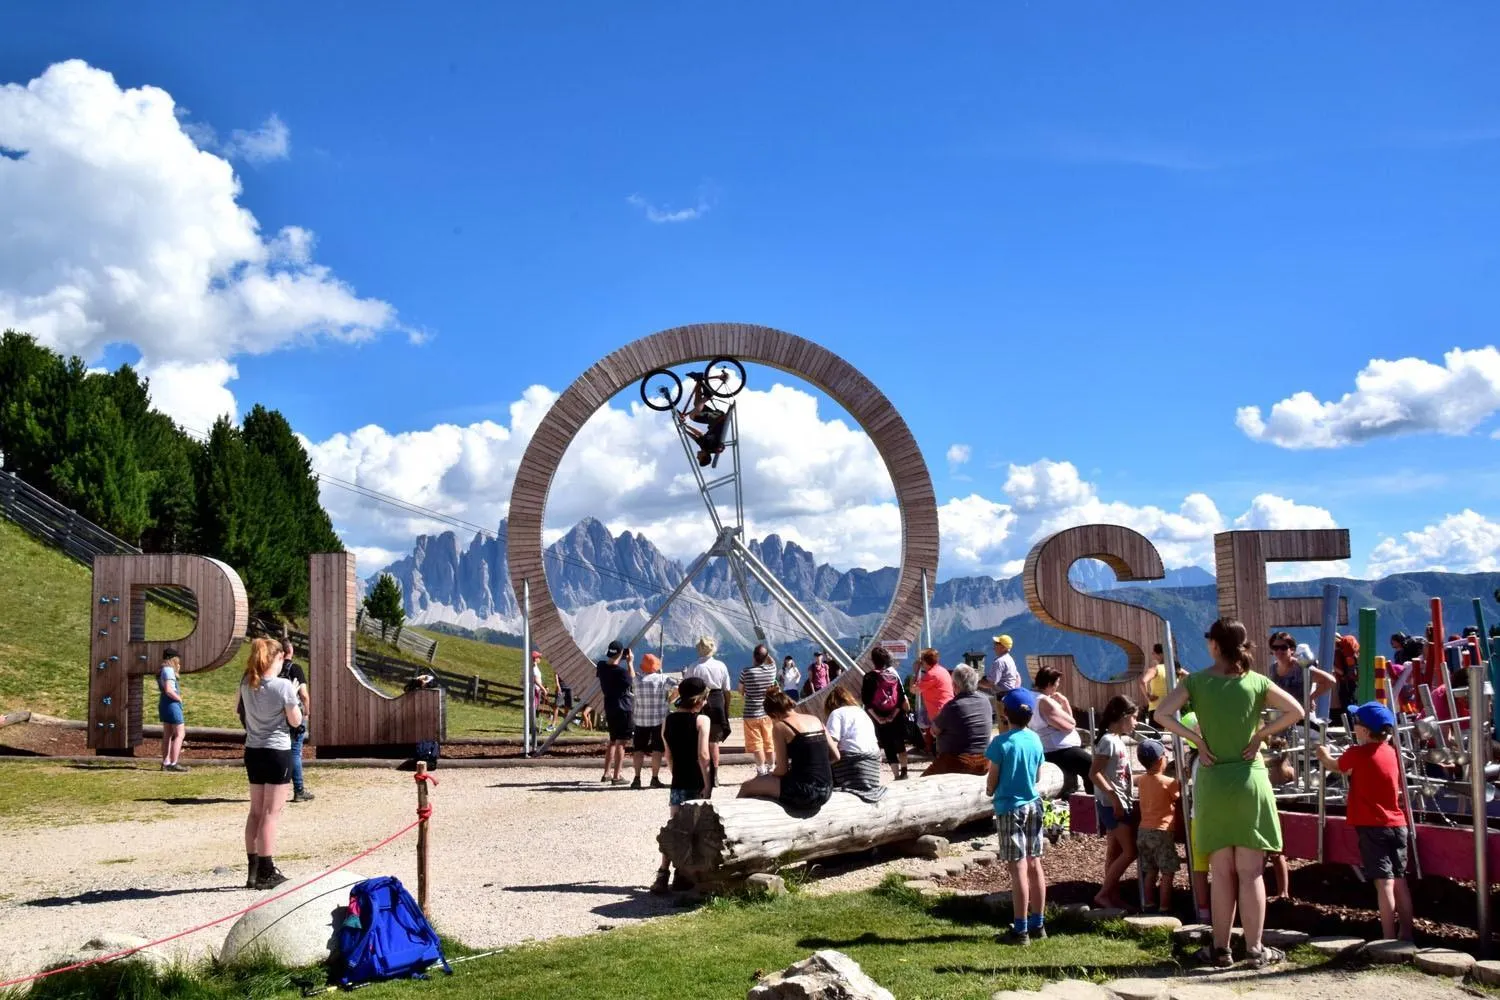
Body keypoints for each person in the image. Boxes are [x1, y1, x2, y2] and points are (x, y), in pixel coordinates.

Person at [1155, 617, 1305, 969]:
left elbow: (1162, 713)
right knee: (1251, 872)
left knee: (1221, 872)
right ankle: (1255, 950)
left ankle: (1220, 949)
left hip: (1213, 781)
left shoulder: (1196, 681)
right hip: (1250, 780)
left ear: (1214, 645)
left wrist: (1195, 740)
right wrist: (1259, 736)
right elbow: (1296, 711)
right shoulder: (1256, 681)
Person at [1316, 702, 1414, 942]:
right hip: (1397, 824)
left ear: (1364, 730)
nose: (1354, 727)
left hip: (1372, 826)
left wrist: (1323, 754)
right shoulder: (1391, 752)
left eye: (1356, 723)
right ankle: (1407, 934)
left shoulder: (1356, 753)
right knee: (1400, 880)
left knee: (1384, 884)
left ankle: (1388, 938)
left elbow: (1335, 766)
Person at [235, 637, 301, 891]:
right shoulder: (283, 686)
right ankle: (266, 869)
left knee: (255, 811)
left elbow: (238, 710)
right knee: (271, 814)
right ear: (276, 658)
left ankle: (252, 871)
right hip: (277, 751)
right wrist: (294, 697)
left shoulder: (246, 682)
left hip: (253, 750)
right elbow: (295, 722)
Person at [985, 688, 1047, 945]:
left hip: (1009, 808)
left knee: (1018, 867)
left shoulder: (1000, 743)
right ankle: (1038, 923)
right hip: (1033, 804)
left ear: (1005, 714)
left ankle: (1019, 929)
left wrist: (990, 790)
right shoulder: (1035, 739)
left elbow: (993, 777)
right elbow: (1038, 776)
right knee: (1035, 864)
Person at [651, 677, 712, 894]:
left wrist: (676, 773)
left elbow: (668, 755)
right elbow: (703, 755)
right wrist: (708, 783)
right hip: (696, 779)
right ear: (700, 700)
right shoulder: (702, 721)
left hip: (678, 780)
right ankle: (684, 873)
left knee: (675, 825)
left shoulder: (669, 720)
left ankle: (662, 873)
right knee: (694, 828)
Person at [738, 689, 832, 812]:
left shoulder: (781, 726)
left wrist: (768, 777)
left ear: (773, 714)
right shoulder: (816, 720)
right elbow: (835, 755)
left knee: (747, 786)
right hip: (827, 789)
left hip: (804, 791)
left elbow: (782, 770)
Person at [1090, 694, 1139, 911]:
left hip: (1118, 801)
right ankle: (1103, 894)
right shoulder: (1108, 741)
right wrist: (1114, 797)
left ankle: (1112, 894)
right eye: (1134, 718)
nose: (1136, 723)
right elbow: (1094, 773)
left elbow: (1119, 774)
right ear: (1124, 716)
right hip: (1112, 805)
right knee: (1130, 852)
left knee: (1115, 851)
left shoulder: (1117, 739)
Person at [1029, 666, 1091, 798]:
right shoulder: (1045, 702)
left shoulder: (1033, 697)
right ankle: (1095, 801)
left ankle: (1074, 798)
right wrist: (1065, 702)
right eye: (1057, 683)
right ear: (1050, 684)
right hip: (1058, 749)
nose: (1057, 686)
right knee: (1091, 766)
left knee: (1079, 773)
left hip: (1055, 747)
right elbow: (1070, 724)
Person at [1135, 739, 1181, 914]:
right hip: (1161, 832)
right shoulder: (1168, 782)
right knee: (1167, 872)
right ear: (1161, 760)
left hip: (1143, 831)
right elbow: (1178, 796)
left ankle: (1148, 905)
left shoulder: (1142, 781)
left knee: (1150, 871)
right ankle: (1165, 908)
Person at [927, 665, 995, 776]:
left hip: (956, 761)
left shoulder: (953, 706)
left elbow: (934, 731)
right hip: (984, 762)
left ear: (954, 685)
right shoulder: (985, 700)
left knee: (923, 782)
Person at [683, 636, 732, 784]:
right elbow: (727, 690)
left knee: (698, 740)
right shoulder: (721, 666)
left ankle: (700, 774)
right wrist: (726, 707)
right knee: (713, 741)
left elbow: (685, 687)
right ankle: (715, 775)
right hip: (717, 701)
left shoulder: (693, 667)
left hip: (698, 701)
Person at [824, 686, 885, 799]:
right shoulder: (862, 712)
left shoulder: (836, 713)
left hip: (853, 767)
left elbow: (832, 747)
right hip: (872, 770)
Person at [861, 645, 910, 780]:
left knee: (888, 747)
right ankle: (904, 772)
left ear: (873, 660)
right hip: (896, 716)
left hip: (879, 717)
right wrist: (893, 715)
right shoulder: (893, 675)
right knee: (900, 744)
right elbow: (900, 698)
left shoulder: (869, 677)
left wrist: (879, 719)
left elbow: (866, 702)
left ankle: (895, 775)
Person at [1268, 632, 1335, 720]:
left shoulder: (1301, 666)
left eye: (1283, 647)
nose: (1279, 651)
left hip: (1302, 717)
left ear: (1292, 649)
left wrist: (1310, 699)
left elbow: (1330, 681)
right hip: (1281, 717)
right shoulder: (1273, 668)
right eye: (1275, 648)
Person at [278, 638, 314, 803]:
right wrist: (307, 712)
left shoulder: (274, 670)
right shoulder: (295, 668)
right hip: (294, 714)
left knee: (280, 749)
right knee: (295, 751)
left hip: (278, 716)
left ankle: (277, 788)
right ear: (290, 650)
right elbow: (304, 694)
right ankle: (299, 789)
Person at [631, 653, 673, 789]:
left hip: (640, 719)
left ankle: (636, 778)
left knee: (638, 749)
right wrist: (669, 700)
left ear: (643, 666)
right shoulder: (662, 678)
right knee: (657, 750)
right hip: (658, 719)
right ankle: (654, 778)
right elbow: (678, 687)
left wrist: (629, 662)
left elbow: (630, 674)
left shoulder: (636, 680)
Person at [596, 640, 634, 785]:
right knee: (621, 743)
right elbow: (631, 681)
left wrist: (619, 658)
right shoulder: (622, 672)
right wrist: (630, 662)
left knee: (612, 741)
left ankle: (606, 773)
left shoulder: (601, 667)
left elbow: (608, 665)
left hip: (609, 706)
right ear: (620, 654)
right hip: (623, 707)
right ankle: (617, 776)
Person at [677, 370, 732, 467]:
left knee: (697, 404)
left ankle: (699, 380)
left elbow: (697, 435)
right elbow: (721, 448)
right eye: (699, 458)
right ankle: (707, 395)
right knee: (692, 416)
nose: (697, 457)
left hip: (713, 419)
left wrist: (684, 427)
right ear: (705, 456)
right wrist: (719, 449)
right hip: (718, 419)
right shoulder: (712, 449)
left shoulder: (703, 446)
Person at [739, 644, 778, 776]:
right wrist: (766, 656)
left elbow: (740, 691)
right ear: (766, 657)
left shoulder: (746, 671)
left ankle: (761, 770)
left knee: (757, 744)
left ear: (753, 656)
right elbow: (772, 662)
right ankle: (772, 767)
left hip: (751, 713)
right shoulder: (771, 670)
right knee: (769, 741)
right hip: (768, 712)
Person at [911, 648, 954, 752]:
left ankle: (942, 763)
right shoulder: (942, 670)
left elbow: (913, 690)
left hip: (938, 713)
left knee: (942, 743)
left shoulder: (931, 675)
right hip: (947, 709)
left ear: (924, 662)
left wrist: (916, 671)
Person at [157, 648, 188, 773]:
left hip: (164, 703)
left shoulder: (162, 670)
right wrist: (179, 698)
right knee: (180, 734)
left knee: (167, 734)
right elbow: (169, 689)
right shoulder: (169, 670)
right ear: (173, 659)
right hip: (172, 704)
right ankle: (174, 763)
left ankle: (166, 762)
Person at [982, 635, 1021, 699]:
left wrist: (976, 683)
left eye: (997, 643)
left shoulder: (999, 662)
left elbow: (990, 683)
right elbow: (1017, 676)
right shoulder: (1010, 659)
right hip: (1010, 695)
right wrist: (1015, 690)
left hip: (1002, 696)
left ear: (1003, 647)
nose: (994, 646)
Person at [1138, 644, 1170, 722]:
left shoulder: (1155, 669)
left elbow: (1142, 682)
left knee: (1157, 733)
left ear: (1160, 654)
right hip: (1172, 708)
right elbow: (1188, 677)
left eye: (1153, 653)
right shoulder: (1175, 669)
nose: (1152, 655)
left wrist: (1148, 696)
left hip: (1157, 708)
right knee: (1172, 733)